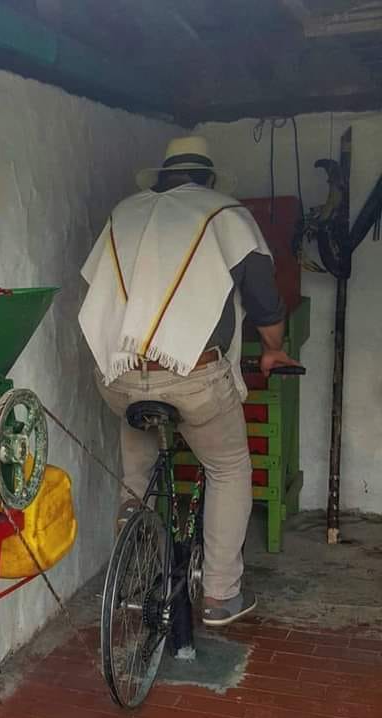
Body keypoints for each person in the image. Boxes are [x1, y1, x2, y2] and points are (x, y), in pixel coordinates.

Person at [79, 135, 299, 627]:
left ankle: (134, 550)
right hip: (194, 376)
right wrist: (272, 349)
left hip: (119, 374)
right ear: (209, 179)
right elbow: (264, 302)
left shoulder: (124, 213)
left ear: (163, 177)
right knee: (228, 467)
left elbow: (100, 288)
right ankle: (221, 594)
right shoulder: (227, 215)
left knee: (137, 471)